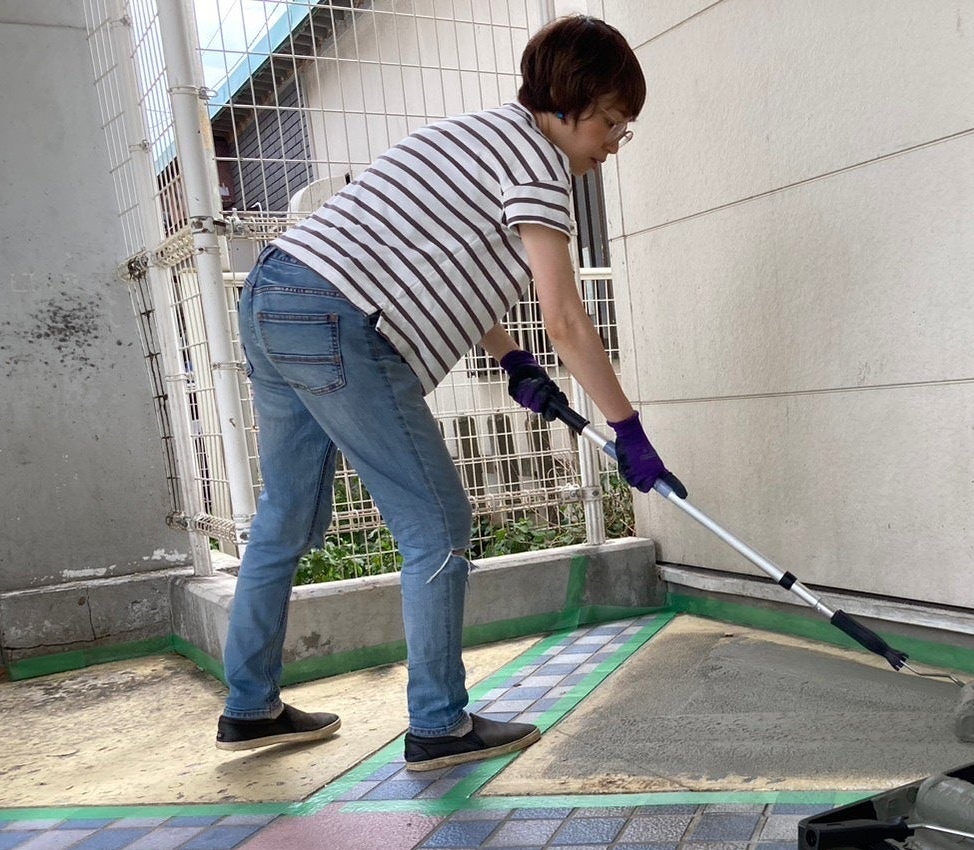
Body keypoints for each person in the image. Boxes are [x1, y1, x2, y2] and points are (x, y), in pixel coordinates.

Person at [215, 15, 681, 772]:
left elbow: (435, 261)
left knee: (285, 517)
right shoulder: (541, 164)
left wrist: (512, 359)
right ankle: (438, 724)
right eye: (610, 122)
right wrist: (627, 428)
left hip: (276, 295)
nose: (615, 143)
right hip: (340, 320)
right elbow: (567, 319)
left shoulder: (473, 134)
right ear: (569, 105)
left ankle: (249, 707)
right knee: (436, 525)